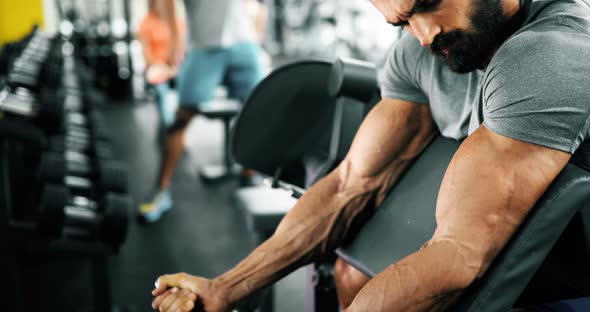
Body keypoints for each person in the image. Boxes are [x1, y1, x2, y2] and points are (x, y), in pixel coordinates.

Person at [150, 0, 590, 310]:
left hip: (567, 284)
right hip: (505, 256)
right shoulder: (422, 52)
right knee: (350, 273)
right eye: (403, 21)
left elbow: (458, 255)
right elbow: (349, 187)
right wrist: (226, 288)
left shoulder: (549, 55)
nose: (424, 35)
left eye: (429, 3)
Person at [138, 0, 265, 222]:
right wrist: (174, 51)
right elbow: (168, 8)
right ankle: (162, 189)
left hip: (243, 41)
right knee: (182, 119)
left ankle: (248, 176)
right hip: (204, 45)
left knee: (255, 110)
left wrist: (258, 39)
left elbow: (258, 6)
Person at [136, 0, 186, 130]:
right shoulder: (146, 23)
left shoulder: (177, 22)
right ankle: (171, 127)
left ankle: (178, 128)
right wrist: (162, 67)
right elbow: (147, 56)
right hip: (156, 67)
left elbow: (181, 50)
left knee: (185, 89)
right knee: (162, 92)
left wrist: (174, 66)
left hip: (174, 67)